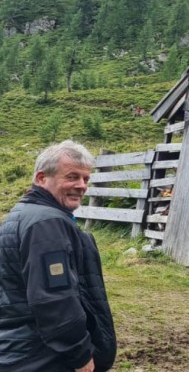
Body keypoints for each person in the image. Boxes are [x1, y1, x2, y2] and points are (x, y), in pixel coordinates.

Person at [0, 141, 117, 371]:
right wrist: (81, 355)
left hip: (19, 349)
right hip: (42, 358)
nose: (81, 186)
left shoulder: (22, 214)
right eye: (72, 177)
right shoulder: (47, 223)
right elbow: (55, 299)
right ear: (42, 178)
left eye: (86, 179)